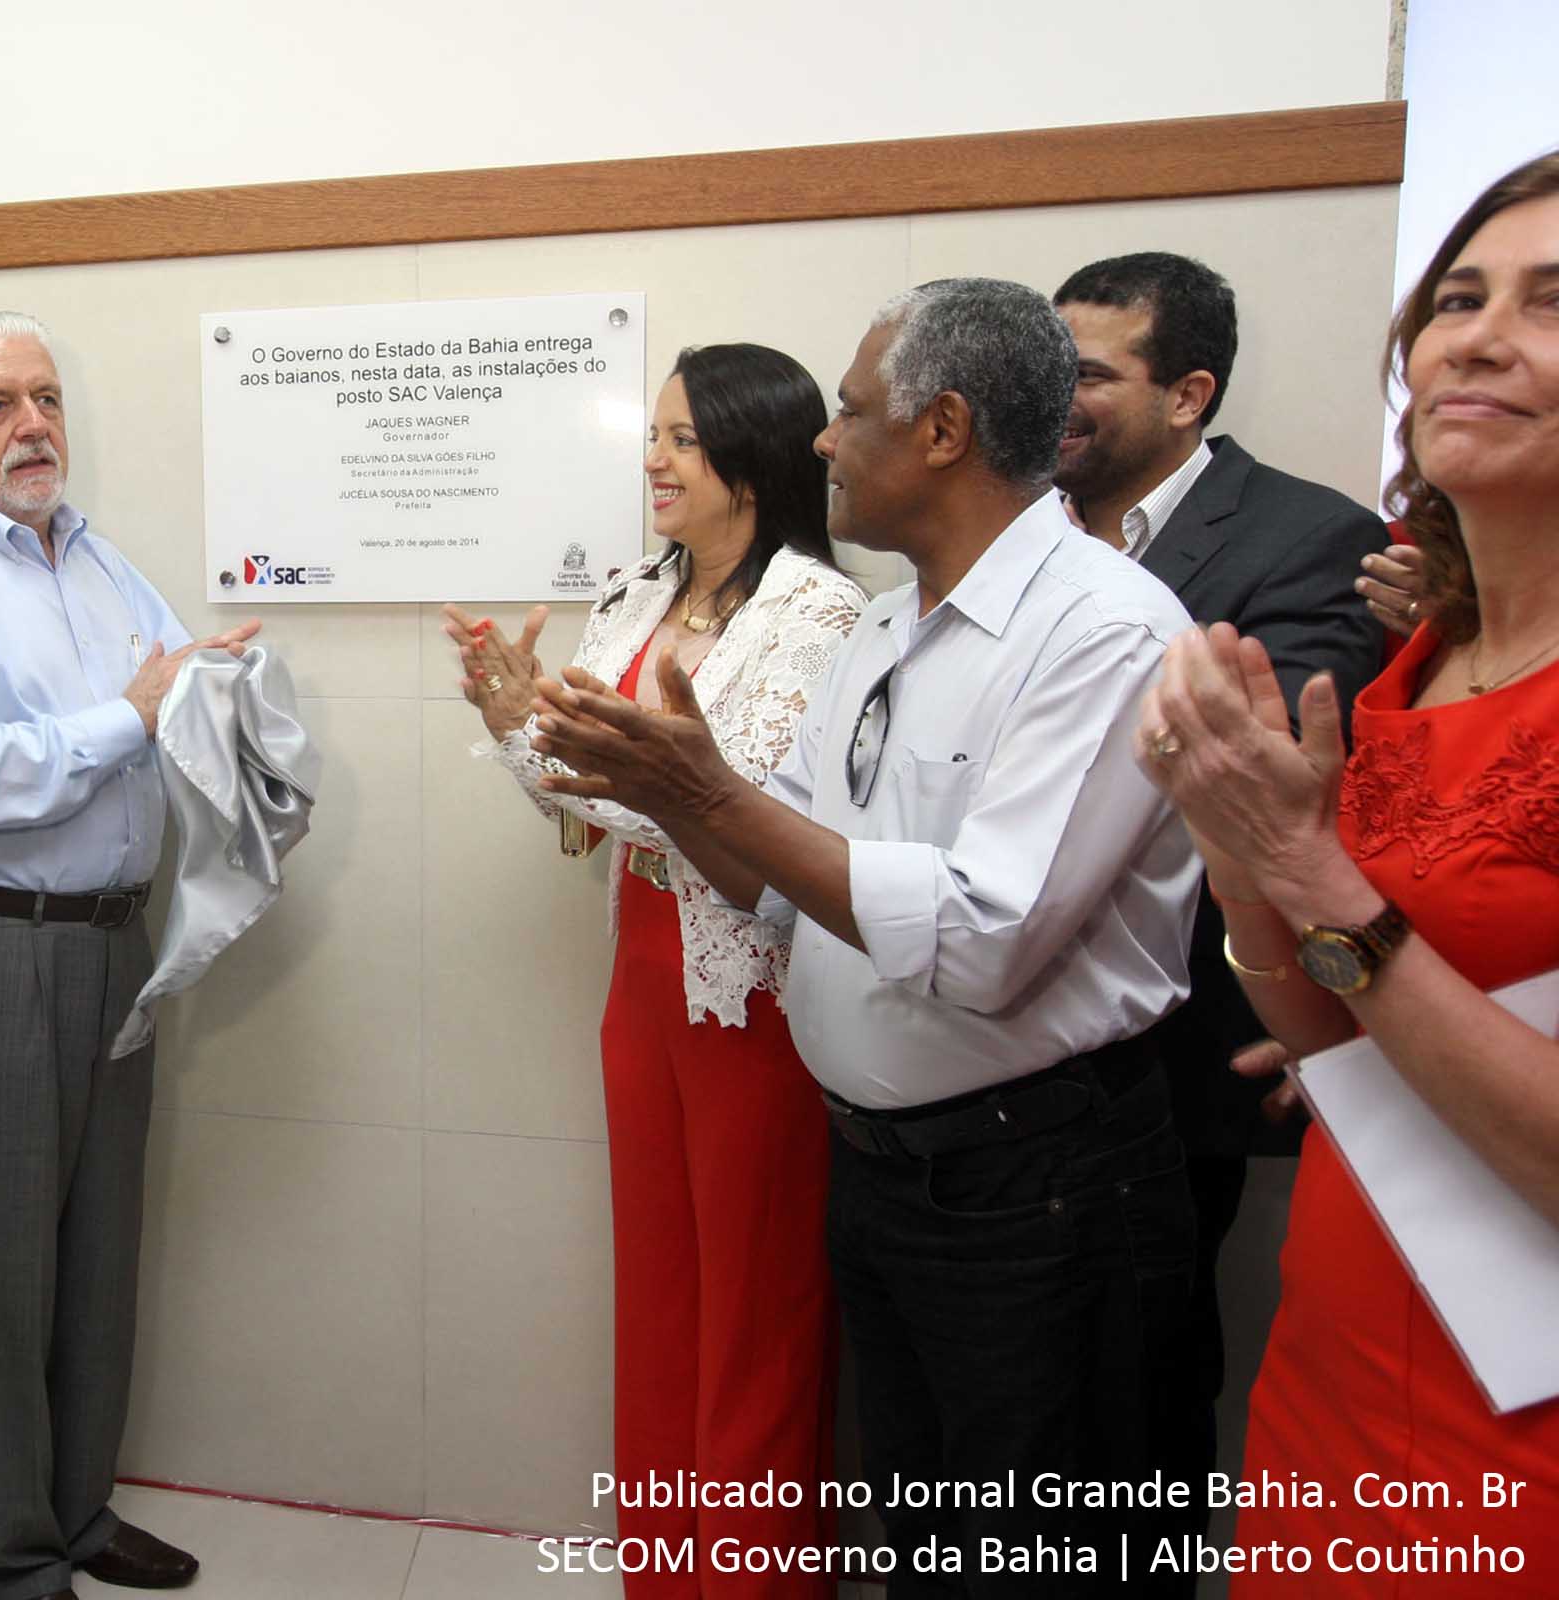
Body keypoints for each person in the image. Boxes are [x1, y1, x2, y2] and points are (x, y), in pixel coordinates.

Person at [527, 279, 1201, 1597]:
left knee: (1031, 1556)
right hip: (888, 1174)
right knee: (926, 1543)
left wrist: (700, 794)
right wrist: (670, 788)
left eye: (849, 410)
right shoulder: (890, 624)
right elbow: (774, 878)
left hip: (1039, 1191)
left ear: (942, 428)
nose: (825, 442)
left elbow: (985, 937)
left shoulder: (1103, 630)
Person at [1135, 150, 1559, 1597]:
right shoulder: (1416, 666)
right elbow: (1329, 1027)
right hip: (1348, 1318)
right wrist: (1243, 864)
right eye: (1458, 297)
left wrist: (1309, 877)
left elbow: (1361, 943)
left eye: (1553, 304)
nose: (1480, 337)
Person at [0, 311, 257, 1600]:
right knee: (1, 1266)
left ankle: (78, 1513)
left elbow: (165, 692)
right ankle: (15, 1560)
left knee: (95, 1253)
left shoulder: (94, 555)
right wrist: (124, 719)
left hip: (109, 946)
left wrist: (213, 691)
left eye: (45, 398)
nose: (32, 425)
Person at [445, 343, 861, 1598]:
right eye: (655, 436)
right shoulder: (635, 591)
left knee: (760, 1307)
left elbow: (742, 814)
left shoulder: (822, 613)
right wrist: (511, 720)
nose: (655, 462)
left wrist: (566, 744)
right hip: (641, 969)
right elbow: (586, 804)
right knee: (665, 1292)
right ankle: (663, 1575)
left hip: (758, 994)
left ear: (755, 456)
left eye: (682, 439)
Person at [1050, 250, 1386, 1550]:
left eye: (1090, 372)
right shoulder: (1014, 529)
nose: (1056, 397)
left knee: (1136, 1389)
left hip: (1176, 1051)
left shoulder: (1312, 539)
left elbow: (1252, 788)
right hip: (992, 1045)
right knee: (1020, 1403)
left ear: (1189, 392)